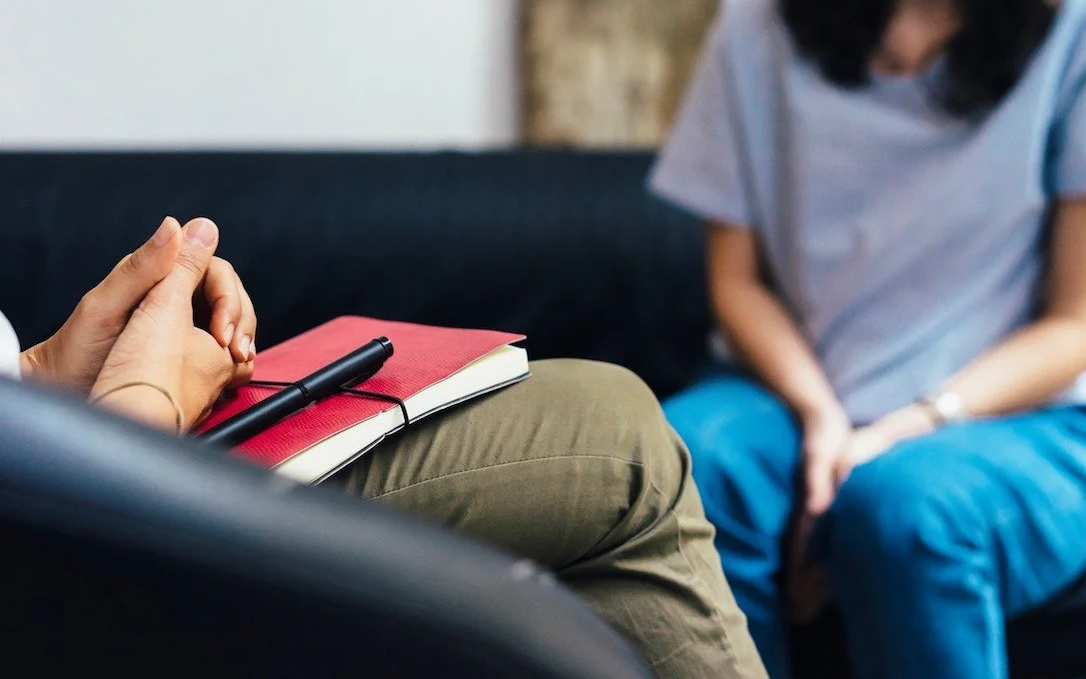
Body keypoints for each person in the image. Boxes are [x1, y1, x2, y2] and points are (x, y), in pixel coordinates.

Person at [649, 0, 1086, 677]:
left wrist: (904, 429)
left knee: (904, 509)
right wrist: (823, 418)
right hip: (789, 397)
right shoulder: (756, 18)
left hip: (1014, 422)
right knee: (679, 464)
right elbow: (738, 282)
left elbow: (1084, 329)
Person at [1, 215, 768, 679]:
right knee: (619, 451)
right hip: (66, 524)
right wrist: (144, 400)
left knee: (611, 418)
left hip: (48, 450)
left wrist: (45, 371)